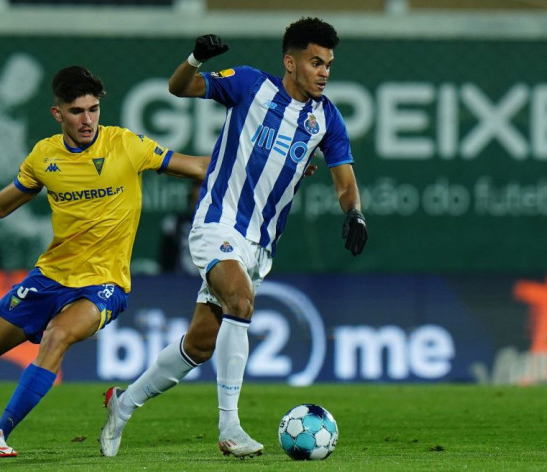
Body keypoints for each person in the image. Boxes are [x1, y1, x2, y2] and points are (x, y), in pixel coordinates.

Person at [0, 65, 208, 458]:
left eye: (93, 109)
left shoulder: (127, 145)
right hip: (50, 277)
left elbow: (200, 166)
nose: (88, 119)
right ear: (58, 114)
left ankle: (0, 432)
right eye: (77, 111)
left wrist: (276, 170)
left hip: (103, 284)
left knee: (58, 336)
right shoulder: (44, 156)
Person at [99, 17, 367, 459]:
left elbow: (345, 181)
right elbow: (179, 88)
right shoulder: (247, 85)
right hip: (217, 222)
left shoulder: (327, 119)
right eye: (315, 62)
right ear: (290, 62)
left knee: (200, 343)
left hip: (260, 245)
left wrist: (354, 213)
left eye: (329, 64)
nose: (324, 72)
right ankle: (230, 427)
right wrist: (195, 58)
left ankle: (122, 405)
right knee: (240, 302)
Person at [158, 180, 201, 275]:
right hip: (180, 282)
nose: (201, 192)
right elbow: (166, 262)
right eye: (197, 186)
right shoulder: (174, 223)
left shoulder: (221, 226)